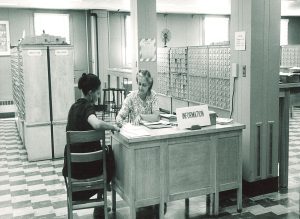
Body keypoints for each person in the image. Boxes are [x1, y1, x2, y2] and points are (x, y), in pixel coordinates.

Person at [62, 73, 119, 218]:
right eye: (98, 92)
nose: (99, 96)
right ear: (90, 93)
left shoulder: (73, 108)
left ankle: (100, 201)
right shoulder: (88, 107)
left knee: (103, 153)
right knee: (110, 155)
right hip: (91, 169)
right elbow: (96, 123)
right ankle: (102, 197)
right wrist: (113, 126)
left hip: (73, 168)